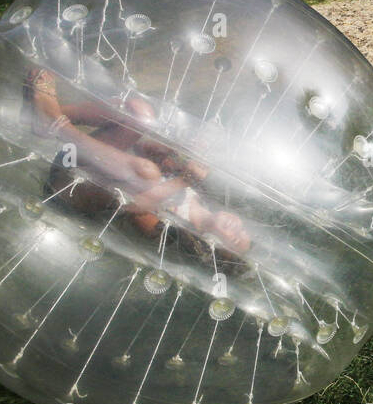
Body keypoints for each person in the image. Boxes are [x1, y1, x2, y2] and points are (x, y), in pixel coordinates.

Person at [24, 68, 250, 262]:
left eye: (235, 241)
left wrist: (182, 180)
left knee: (147, 175)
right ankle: (52, 115)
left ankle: (55, 123)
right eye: (243, 229)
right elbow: (139, 153)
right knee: (140, 114)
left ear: (211, 250)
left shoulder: (165, 235)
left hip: (68, 187)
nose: (236, 228)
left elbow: (131, 204)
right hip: (82, 159)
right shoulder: (197, 196)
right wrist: (167, 155)